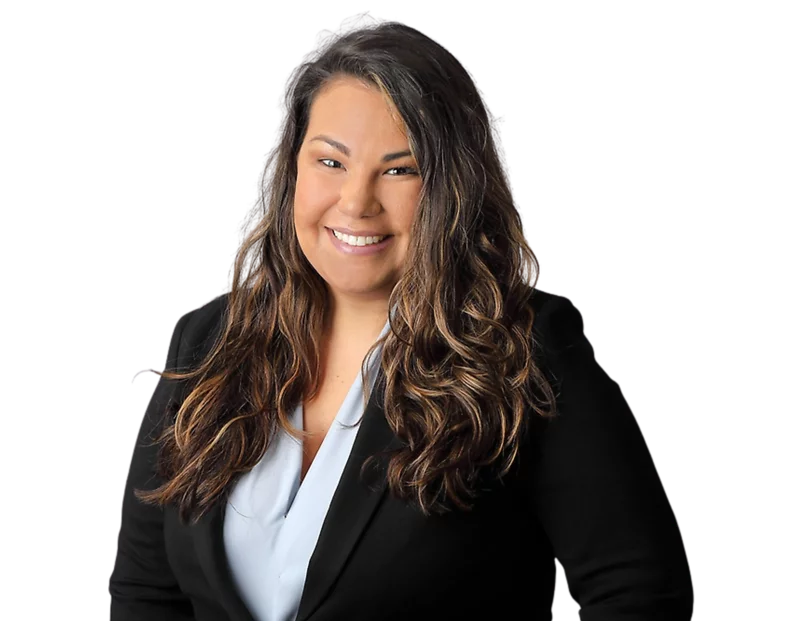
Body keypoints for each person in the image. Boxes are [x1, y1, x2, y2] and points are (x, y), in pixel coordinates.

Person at [109, 21, 693, 621]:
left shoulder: (523, 353)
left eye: (399, 169)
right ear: (292, 174)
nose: (356, 202)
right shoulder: (210, 341)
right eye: (331, 161)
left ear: (450, 188)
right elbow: (147, 595)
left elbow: (637, 594)